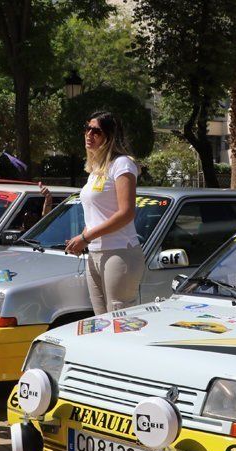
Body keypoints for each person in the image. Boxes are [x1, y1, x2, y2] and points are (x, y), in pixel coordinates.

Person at [64, 111, 143, 314]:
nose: (89, 134)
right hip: (95, 253)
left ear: (110, 136)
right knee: (100, 322)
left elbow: (126, 213)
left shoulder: (122, 163)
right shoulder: (96, 169)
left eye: (96, 131)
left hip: (120, 253)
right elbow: (97, 214)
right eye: (87, 128)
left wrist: (85, 237)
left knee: (119, 321)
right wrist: (81, 239)